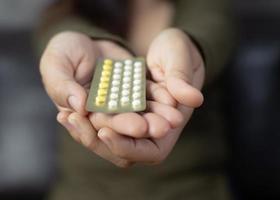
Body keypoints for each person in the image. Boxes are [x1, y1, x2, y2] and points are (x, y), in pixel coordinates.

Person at [38, 0, 235, 199]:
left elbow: (211, 28)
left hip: (190, 188)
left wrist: (188, 47)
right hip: (85, 191)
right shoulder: (65, 13)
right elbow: (62, 29)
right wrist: (74, 38)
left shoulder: (207, 8)